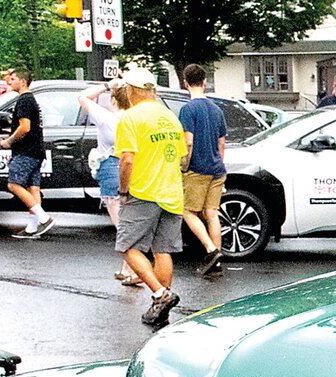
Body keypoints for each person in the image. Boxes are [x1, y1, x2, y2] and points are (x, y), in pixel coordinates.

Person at [115, 68, 187, 326]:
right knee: (162, 249)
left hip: (144, 191)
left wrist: (123, 190)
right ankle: (160, 306)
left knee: (128, 247)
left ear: (132, 90)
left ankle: (160, 294)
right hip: (172, 192)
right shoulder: (170, 117)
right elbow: (182, 157)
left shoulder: (130, 118)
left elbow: (127, 159)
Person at [79, 78, 138, 284]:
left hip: (111, 165)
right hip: (133, 167)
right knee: (128, 220)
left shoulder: (106, 117)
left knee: (120, 224)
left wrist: (107, 85)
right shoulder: (135, 118)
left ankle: (135, 268)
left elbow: (82, 97)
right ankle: (127, 266)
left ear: (114, 100)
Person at [177, 63, 228, 276]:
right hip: (217, 168)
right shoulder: (216, 110)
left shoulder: (187, 110)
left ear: (185, 82)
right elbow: (221, 143)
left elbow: (188, 141)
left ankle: (211, 250)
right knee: (212, 213)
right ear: (205, 82)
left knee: (187, 211)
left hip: (197, 168)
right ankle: (215, 262)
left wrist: (184, 165)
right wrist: (219, 162)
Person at [0, 68, 54, 236]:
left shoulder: (24, 100)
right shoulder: (32, 100)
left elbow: (25, 127)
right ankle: (33, 227)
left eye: (13, 78)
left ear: (22, 81)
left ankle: (44, 218)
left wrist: (9, 140)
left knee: (14, 184)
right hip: (36, 150)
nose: (10, 81)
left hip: (25, 150)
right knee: (33, 188)